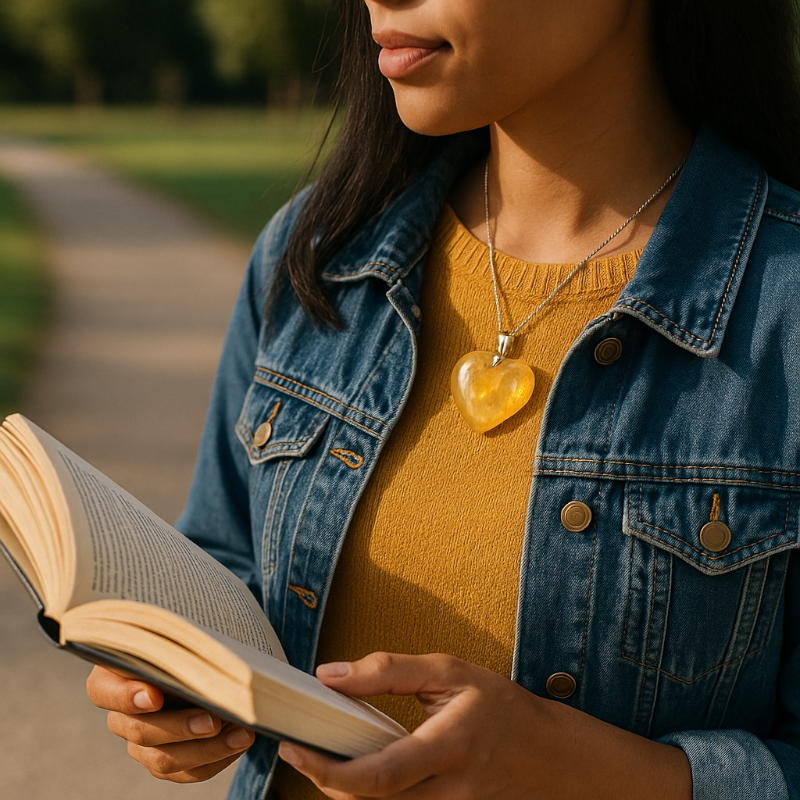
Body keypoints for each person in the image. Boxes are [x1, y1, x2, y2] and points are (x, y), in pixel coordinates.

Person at [86, 0, 800, 797]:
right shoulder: (317, 254)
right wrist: (179, 688)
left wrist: (593, 771)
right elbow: (223, 561)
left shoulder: (785, 311)